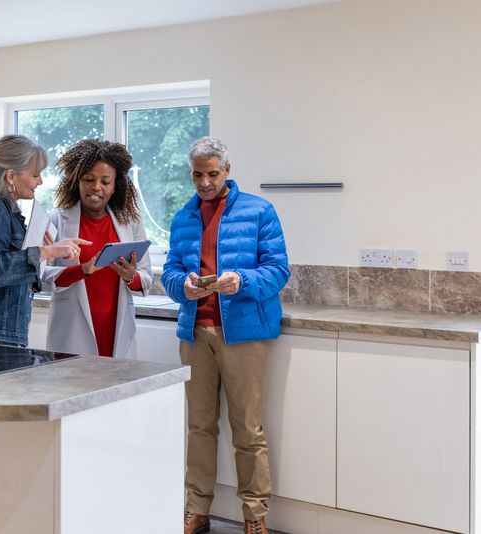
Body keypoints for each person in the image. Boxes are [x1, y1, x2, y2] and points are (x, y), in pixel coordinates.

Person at [161, 137, 289, 534]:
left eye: (212, 174)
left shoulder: (259, 211)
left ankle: (255, 516)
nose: (204, 182)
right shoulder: (183, 217)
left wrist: (241, 280)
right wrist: (184, 285)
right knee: (199, 427)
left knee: (247, 428)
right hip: (194, 332)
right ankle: (196, 511)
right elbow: (168, 272)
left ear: (227, 171)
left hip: (243, 333)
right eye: (197, 174)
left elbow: (278, 270)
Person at [0, 134, 87, 346]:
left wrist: (49, 249)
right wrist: (45, 252)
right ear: (11, 176)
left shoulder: (3, 207)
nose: (40, 182)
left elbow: (8, 264)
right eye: (35, 175)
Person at [41, 139, 153, 358]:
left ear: (114, 186)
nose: (96, 187)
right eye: (88, 179)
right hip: (71, 331)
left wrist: (131, 276)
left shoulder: (130, 223)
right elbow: (40, 275)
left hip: (116, 330)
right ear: (76, 182)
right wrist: (82, 270)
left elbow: (146, 276)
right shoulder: (55, 221)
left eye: (105, 181)